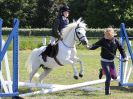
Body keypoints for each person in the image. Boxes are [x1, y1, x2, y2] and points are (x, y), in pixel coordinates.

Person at [87, 27, 128, 95]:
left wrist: (125, 57)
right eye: (105, 35)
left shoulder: (116, 41)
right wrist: (89, 47)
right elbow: (95, 45)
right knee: (108, 77)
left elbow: (121, 50)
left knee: (114, 77)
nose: (105, 36)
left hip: (111, 61)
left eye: (107, 35)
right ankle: (107, 92)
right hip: (104, 61)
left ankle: (102, 71)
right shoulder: (103, 40)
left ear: (111, 35)